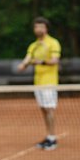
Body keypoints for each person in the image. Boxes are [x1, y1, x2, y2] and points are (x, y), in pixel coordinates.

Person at [17, 17, 61, 150]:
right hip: (38, 83)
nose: (38, 29)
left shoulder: (53, 43)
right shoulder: (33, 45)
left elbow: (55, 60)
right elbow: (27, 60)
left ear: (46, 28)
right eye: (36, 27)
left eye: (41, 27)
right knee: (43, 110)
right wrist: (23, 65)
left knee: (49, 109)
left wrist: (40, 62)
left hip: (49, 82)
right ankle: (48, 136)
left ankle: (52, 138)